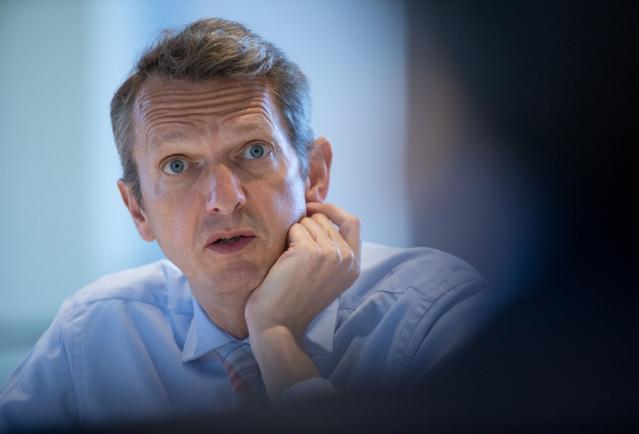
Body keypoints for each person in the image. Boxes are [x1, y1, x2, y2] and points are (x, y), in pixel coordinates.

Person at [0, 18, 490, 431]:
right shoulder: (93, 333)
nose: (223, 200)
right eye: (177, 165)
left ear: (314, 174)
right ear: (138, 211)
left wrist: (276, 339)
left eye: (254, 151)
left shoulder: (432, 315)